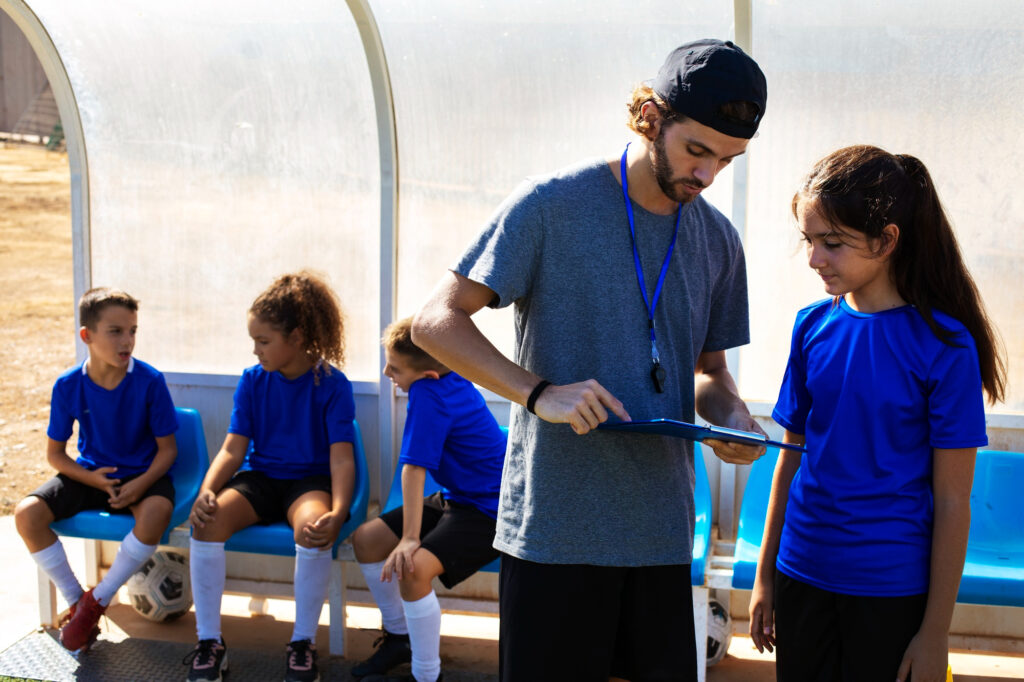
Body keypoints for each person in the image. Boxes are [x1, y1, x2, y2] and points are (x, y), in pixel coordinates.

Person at [412, 39, 769, 681]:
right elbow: (435, 321)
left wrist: (733, 419)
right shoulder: (550, 204)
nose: (709, 175)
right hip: (554, 534)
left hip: (661, 535)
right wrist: (539, 392)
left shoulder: (719, 238)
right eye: (697, 150)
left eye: (727, 159)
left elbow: (708, 372)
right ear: (651, 118)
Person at [748, 145, 1007, 682]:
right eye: (810, 241)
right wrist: (765, 575)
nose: (815, 259)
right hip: (801, 573)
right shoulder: (811, 326)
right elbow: (790, 458)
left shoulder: (945, 346)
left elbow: (953, 501)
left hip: (891, 590)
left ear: (887, 240)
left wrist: (935, 633)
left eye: (832, 243)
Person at [183, 271, 357, 682]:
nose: (255, 350)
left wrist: (338, 512)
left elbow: (342, 460)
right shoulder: (252, 380)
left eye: (263, 341)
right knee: (205, 524)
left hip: (309, 483)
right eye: (254, 341)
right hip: (260, 478)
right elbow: (232, 449)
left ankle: (302, 644)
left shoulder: (333, 384)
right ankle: (210, 643)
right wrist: (206, 491)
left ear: (296, 337)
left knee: (313, 529)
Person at [14, 287, 179, 652]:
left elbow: (168, 451)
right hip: (91, 476)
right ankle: (78, 602)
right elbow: (56, 455)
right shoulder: (67, 385)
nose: (127, 340)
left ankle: (98, 600)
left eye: (132, 330)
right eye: (115, 331)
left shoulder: (150, 381)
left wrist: (141, 485)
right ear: (86, 335)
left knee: (157, 513)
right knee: (26, 515)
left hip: (143, 476)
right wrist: (91, 479)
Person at [349, 316, 507, 682]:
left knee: (412, 568)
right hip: (458, 497)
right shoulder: (446, 372)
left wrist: (409, 538)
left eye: (395, 368)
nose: (387, 373)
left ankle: (426, 675)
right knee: (367, 540)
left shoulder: (428, 394)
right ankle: (399, 638)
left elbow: (414, 468)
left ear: (428, 375)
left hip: (492, 509)